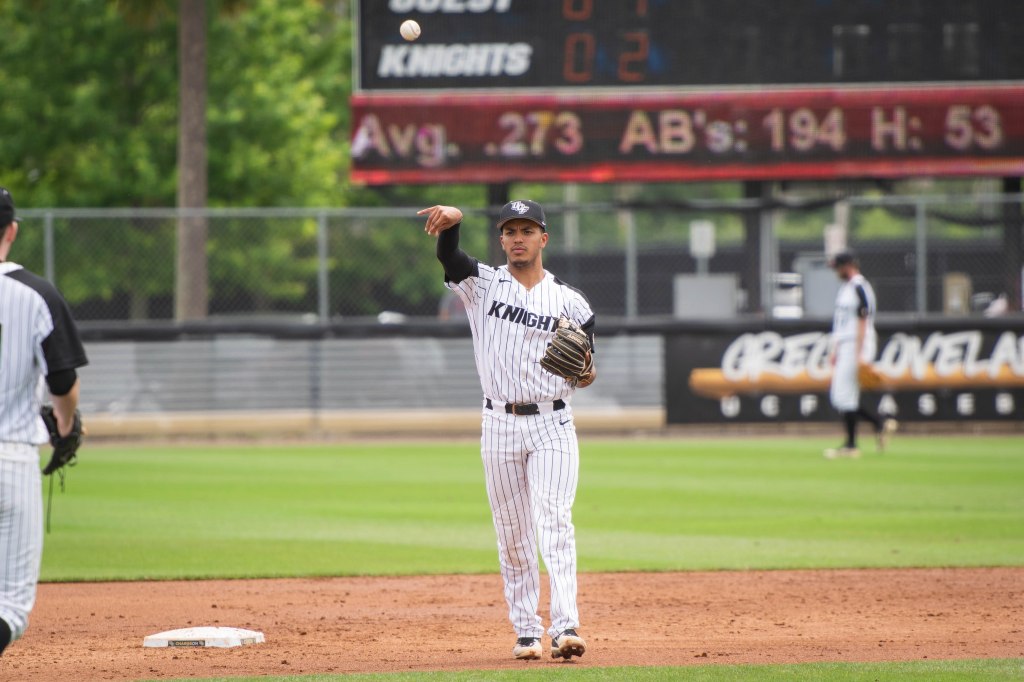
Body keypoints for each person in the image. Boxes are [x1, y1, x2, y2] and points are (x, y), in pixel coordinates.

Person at [418, 200, 595, 661]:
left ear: (543, 238)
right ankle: (526, 632)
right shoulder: (482, 284)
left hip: (554, 422)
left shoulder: (571, 301)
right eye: (511, 231)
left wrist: (586, 371)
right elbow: (449, 257)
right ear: (501, 239)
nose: (519, 238)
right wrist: (453, 224)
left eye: (527, 230)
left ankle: (565, 626)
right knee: (513, 533)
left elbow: (586, 365)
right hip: (499, 423)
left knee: (555, 521)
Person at [0, 187, 88, 655]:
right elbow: (63, 382)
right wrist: (65, 426)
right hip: (9, 457)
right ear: (11, 231)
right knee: (9, 610)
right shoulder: (36, 294)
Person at [824, 250, 896, 459]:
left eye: (838, 267)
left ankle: (852, 445)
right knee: (841, 397)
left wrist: (859, 353)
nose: (836, 271)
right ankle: (879, 423)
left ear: (848, 265)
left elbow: (864, 320)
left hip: (856, 344)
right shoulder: (846, 288)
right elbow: (842, 324)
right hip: (846, 345)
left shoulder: (859, 287)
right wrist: (836, 349)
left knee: (844, 396)